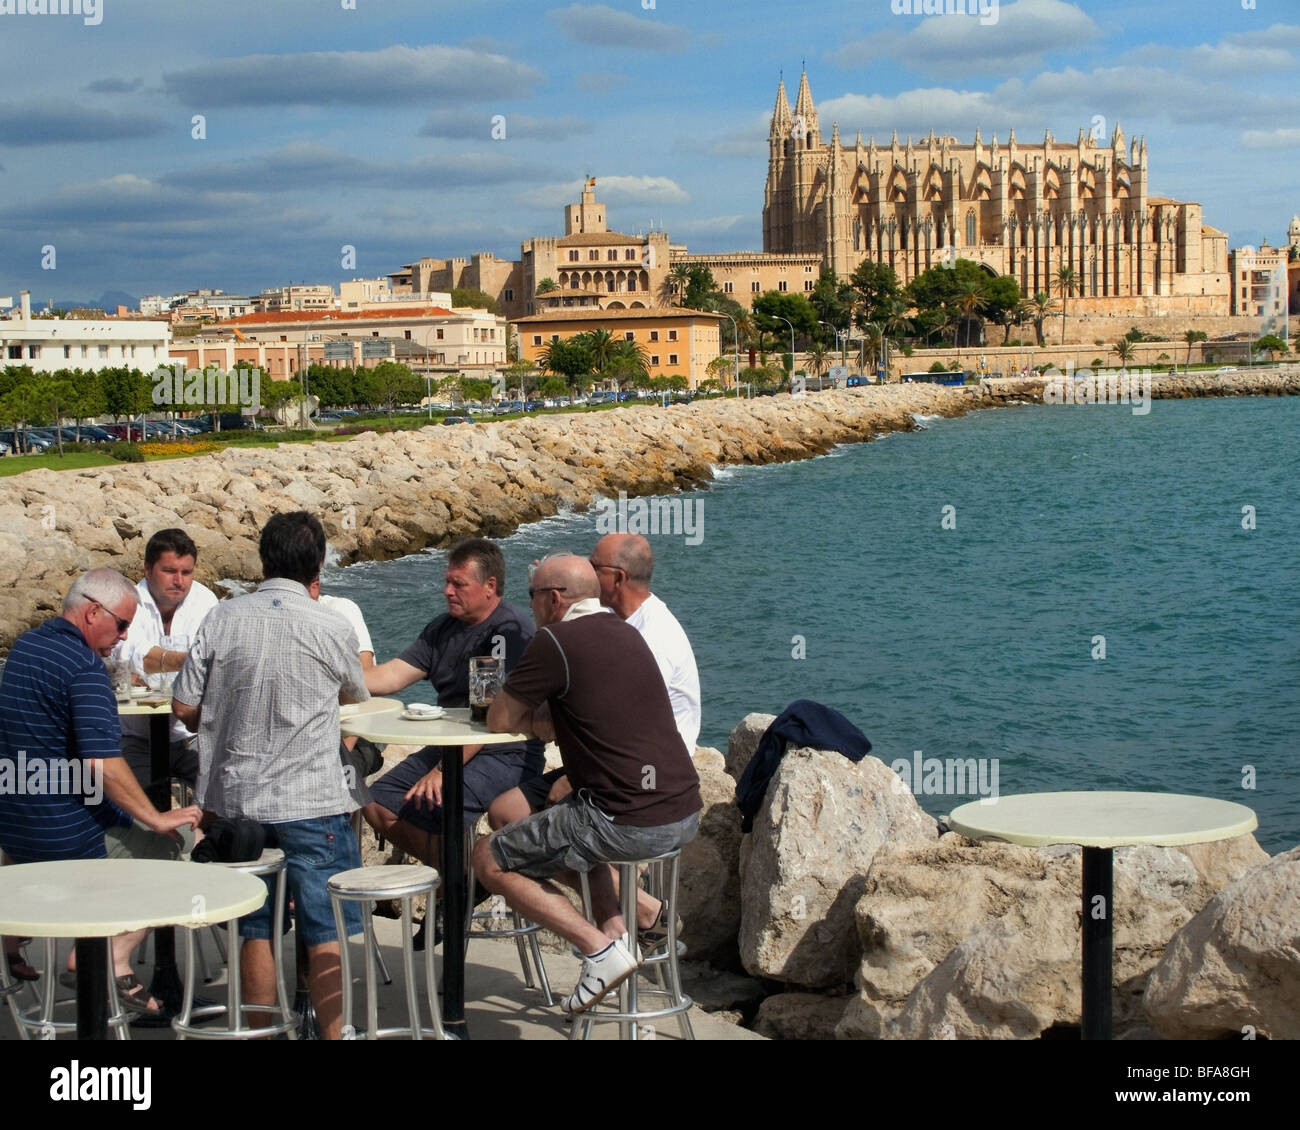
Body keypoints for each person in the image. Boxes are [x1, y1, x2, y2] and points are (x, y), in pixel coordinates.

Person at [472, 554, 701, 1014]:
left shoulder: (554, 640)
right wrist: (549, 717)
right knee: (569, 832)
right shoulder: (627, 631)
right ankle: (619, 935)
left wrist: (532, 714)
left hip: (625, 819)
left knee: (489, 858)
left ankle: (597, 949)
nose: (530, 605)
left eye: (532, 595)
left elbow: (499, 719)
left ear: (553, 599)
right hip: (683, 809)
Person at [172, 511, 368, 1040]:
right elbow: (355, 691)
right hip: (313, 797)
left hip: (237, 798)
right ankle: (333, 1034)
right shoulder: (332, 623)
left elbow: (183, 706)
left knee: (254, 928)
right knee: (325, 927)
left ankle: (262, 1034)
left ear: (263, 559)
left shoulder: (221, 619)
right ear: (318, 563)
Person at [0, 568, 202, 1012]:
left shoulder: (24, 648)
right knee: (177, 845)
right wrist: (156, 817)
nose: (125, 636)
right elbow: (103, 762)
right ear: (93, 612)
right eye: (123, 625)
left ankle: (10, 941)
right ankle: (108, 957)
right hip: (65, 838)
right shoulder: (84, 667)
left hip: (13, 830)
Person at [360, 538, 543, 871]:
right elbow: (388, 678)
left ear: (490, 586)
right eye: (447, 581)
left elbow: (486, 717)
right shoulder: (442, 628)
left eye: (458, 584)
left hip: (502, 751)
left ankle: (457, 893)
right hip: (451, 745)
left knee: (432, 807)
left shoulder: (505, 632)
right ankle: (462, 879)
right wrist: (336, 676)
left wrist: (443, 771)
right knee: (377, 803)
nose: (447, 591)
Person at [113, 528, 218, 790]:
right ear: (148, 570)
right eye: (170, 571)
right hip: (136, 737)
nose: (179, 581)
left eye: (186, 572)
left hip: (192, 737)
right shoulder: (128, 602)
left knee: (228, 793)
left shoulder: (205, 602)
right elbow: (134, 656)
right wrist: (194, 660)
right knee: (138, 803)